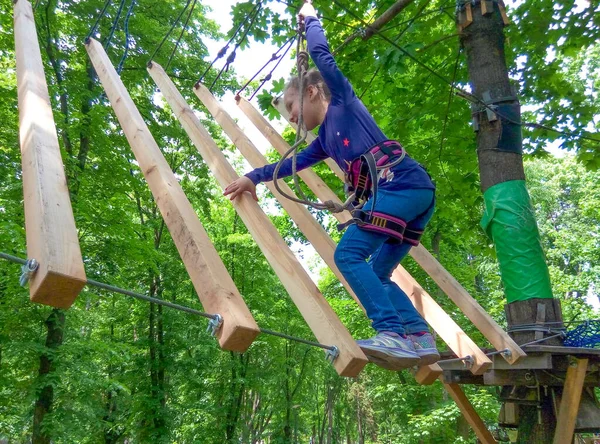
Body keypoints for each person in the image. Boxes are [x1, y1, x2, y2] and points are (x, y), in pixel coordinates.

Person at [224, 3, 439, 370]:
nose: (291, 118)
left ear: (310, 93)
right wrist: (252, 177)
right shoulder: (323, 141)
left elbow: (322, 56)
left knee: (348, 255)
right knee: (379, 272)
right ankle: (418, 336)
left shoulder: (343, 102)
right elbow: (287, 165)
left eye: (291, 107)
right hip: (414, 194)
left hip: (399, 185)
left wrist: (311, 20)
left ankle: (391, 332)